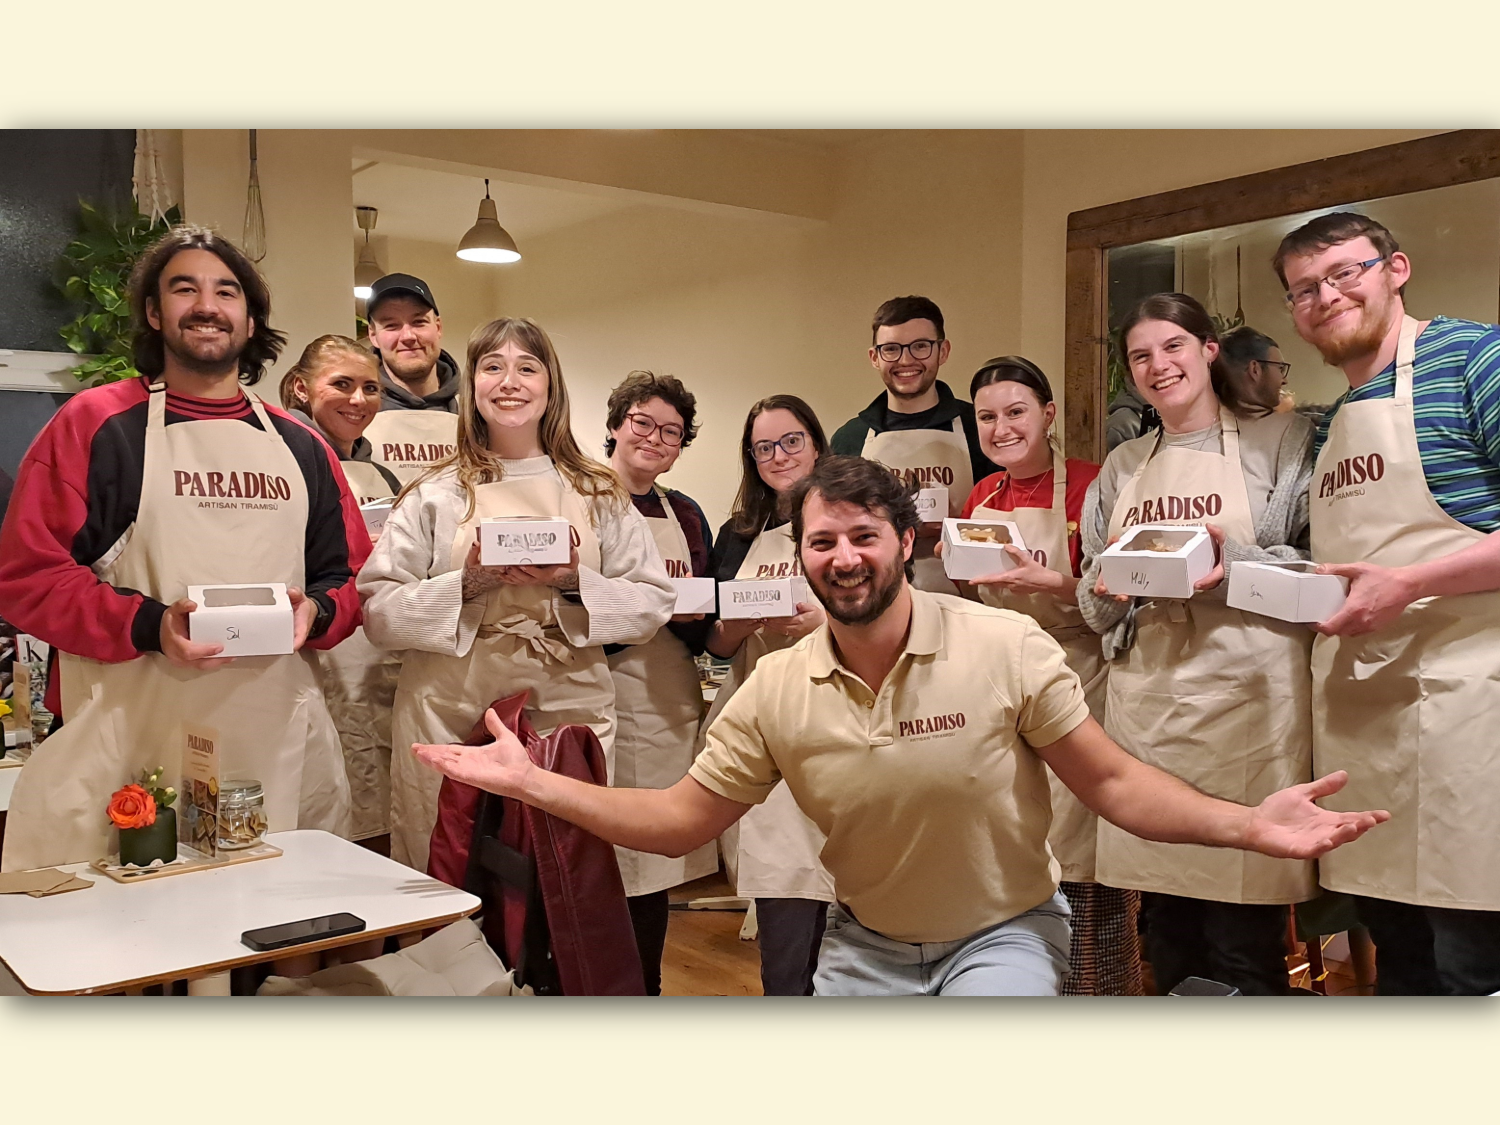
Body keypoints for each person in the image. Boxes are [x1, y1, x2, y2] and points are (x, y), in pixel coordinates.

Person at [412, 454, 1388, 997]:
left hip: (999, 937)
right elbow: (677, 820)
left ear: (906, 543)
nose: (843, 556)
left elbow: (1116, 784)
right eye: (822, 540)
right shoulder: (775, 690)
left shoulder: (1006, 647)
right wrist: (533, 784)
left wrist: (1246, 823)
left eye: (863, 536)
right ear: (799, 556)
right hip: (864, 944)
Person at [0, 224, 364, 871]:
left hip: (276, 745)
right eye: (184, 288)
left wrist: (317, 611)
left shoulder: (303, 448)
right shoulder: (96, 426)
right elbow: (26, 576)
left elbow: (349, 576)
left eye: (227, 291)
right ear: (152, 311)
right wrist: (149, 623)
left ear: (250, 321)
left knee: (278, 940)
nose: (206, 304)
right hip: (131, 743)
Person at [359, 317, 675, 873]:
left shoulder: (597, 491)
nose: (510, 382)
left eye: (527, 368)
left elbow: (651, 603)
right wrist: (475, 580)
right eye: (493, 367)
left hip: (568, 705)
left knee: (564, 871)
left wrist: (570, 579)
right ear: (471, 386)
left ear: (550, 386)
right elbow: (380, 613)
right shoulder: (435, 491)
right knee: (448, 861)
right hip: (448, 707)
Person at [1276, 211, 1500, 995]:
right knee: (1399, 963)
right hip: (1366, 735)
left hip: (1473, 727)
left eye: (1346, 272)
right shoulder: (1328, 425)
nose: (1326, 297)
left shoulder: (1477, 357)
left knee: (1472, 965)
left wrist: (1408, 582)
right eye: (1304, 289)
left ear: (1396, 268)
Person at [1077, 293, 1320, 995]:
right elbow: (1093, 609)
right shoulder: (1123, 467)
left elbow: (1323, 576)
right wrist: (1114, 588)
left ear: (1210, 350)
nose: (1159, 366)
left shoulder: (1285, 441)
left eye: (1173, 346)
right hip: (1148, 719)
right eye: (1141, 355)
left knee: (1245, 950)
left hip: (1251, 717)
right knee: (1171, 944)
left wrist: (1232, 563)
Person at [952, 355, 1140, 996]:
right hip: (1007, 678)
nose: (1001, 428)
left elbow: (1116, 593)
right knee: (1021, 834)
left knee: (1084, 841)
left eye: (1016, 412)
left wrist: (1050, 580)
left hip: (1082, 669)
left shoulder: (1091, 484)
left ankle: (1097, 986)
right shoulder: (982, 497)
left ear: (1048, 414)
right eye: (987, 417)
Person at [703, 395, 833, 995]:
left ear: (816, 443)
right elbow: (718, 644)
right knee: (782, 875)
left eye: (791, 441)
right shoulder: (738, 535)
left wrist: (821, 627)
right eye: (763, 448)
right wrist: (743, 621)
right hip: (761, 720)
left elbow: (888, 614)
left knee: (844, 882)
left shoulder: (848, 516)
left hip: (836, 716)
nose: (778, 456)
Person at [601, 370, 719, 995]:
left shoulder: (687, 513)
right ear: (616, 425)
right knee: (599, 856)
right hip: (599, 686)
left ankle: (646, 986)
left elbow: (704, 616)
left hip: (666, 694)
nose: (654, 438)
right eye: (642, 422)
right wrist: (641, 610)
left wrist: (701, 617)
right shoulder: (582, 498)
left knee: (650, 860)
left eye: (671, 431)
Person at [280, 336, 403, 842]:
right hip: (317, 651)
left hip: (377, 655)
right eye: (342, 385)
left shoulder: (382, 473)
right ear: (300, 389)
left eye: (370, 388)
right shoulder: (287, 460)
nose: (358, 400)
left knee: (382, 796)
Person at [830, 296, 990, 595]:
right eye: (891, 349)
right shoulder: (850, 439)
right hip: (878, 599)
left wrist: (954, 526)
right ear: (874, 357)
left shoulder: (978, 427)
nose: (905, 360)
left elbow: (1006, 518)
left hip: (970, 600)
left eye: (920, 346)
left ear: (943, 351)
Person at [361, 273, 461, 484]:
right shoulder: (355, 410)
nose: (408, 336)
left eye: (418, 322)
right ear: (373, 335)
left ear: (438, 327)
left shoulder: (475, 409)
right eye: (391, 326)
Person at [1218, 326, 1293, 416]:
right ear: (1255, 370)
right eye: (1280, 368)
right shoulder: (1291, 427)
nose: (1285, 381)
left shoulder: (1206, 421)